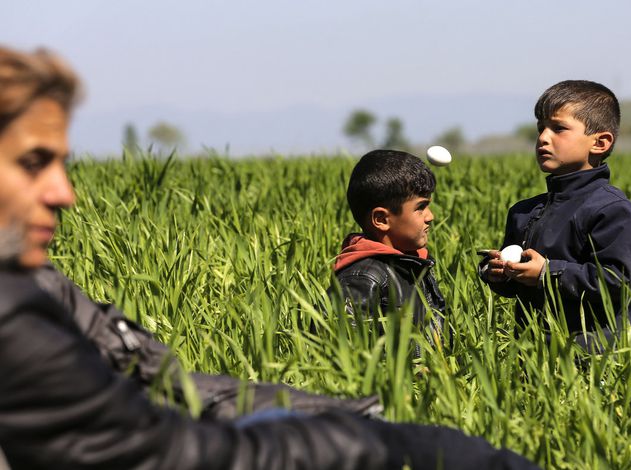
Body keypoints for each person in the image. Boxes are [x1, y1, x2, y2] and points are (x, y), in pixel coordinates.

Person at [0, 45, 538, 469]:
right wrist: (368, 444)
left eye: (61, 164)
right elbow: (164, 454)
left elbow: (167, 384)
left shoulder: (37, 286)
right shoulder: (14, 315)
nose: (62, 192)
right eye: (32, 162)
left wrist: (326, 412)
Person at [480, 80, 631, 350]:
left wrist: (548, 272)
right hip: (533, 356)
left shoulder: (614, 211)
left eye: (559, 128)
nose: (543, 138)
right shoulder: (524, 211)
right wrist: (498, 272)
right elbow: (517, 288)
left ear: (600, 143)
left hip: (596, 357)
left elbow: (617, 282)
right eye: (540, 128)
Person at [330, 149, 447, 347]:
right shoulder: (362, 278)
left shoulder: (414, 263)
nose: (430, 216)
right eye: (420, 207)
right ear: (381, 219)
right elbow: (345, 348)